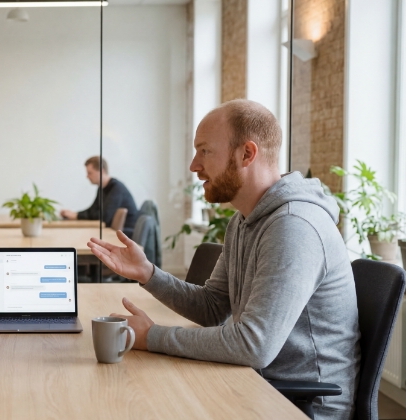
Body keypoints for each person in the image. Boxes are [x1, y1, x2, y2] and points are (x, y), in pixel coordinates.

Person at [87, 99, 360, 420]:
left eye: (204, 151)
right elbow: (214, 307)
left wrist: (152, 336)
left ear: (247, 153)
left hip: (301, 405)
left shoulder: (294, 226)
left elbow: (253, 345)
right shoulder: (244, 220)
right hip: (255, 383)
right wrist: (148, 273)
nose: (193, 165)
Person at [59, 156, 138, 236]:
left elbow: (104, 216)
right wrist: (74, 214)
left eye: (90, 173)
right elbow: (93, 210)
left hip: (126, 235)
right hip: (113, 233)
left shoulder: (117, 188)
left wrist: (77, 216)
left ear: (101, 171)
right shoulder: (101, 188)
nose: (87, 176)